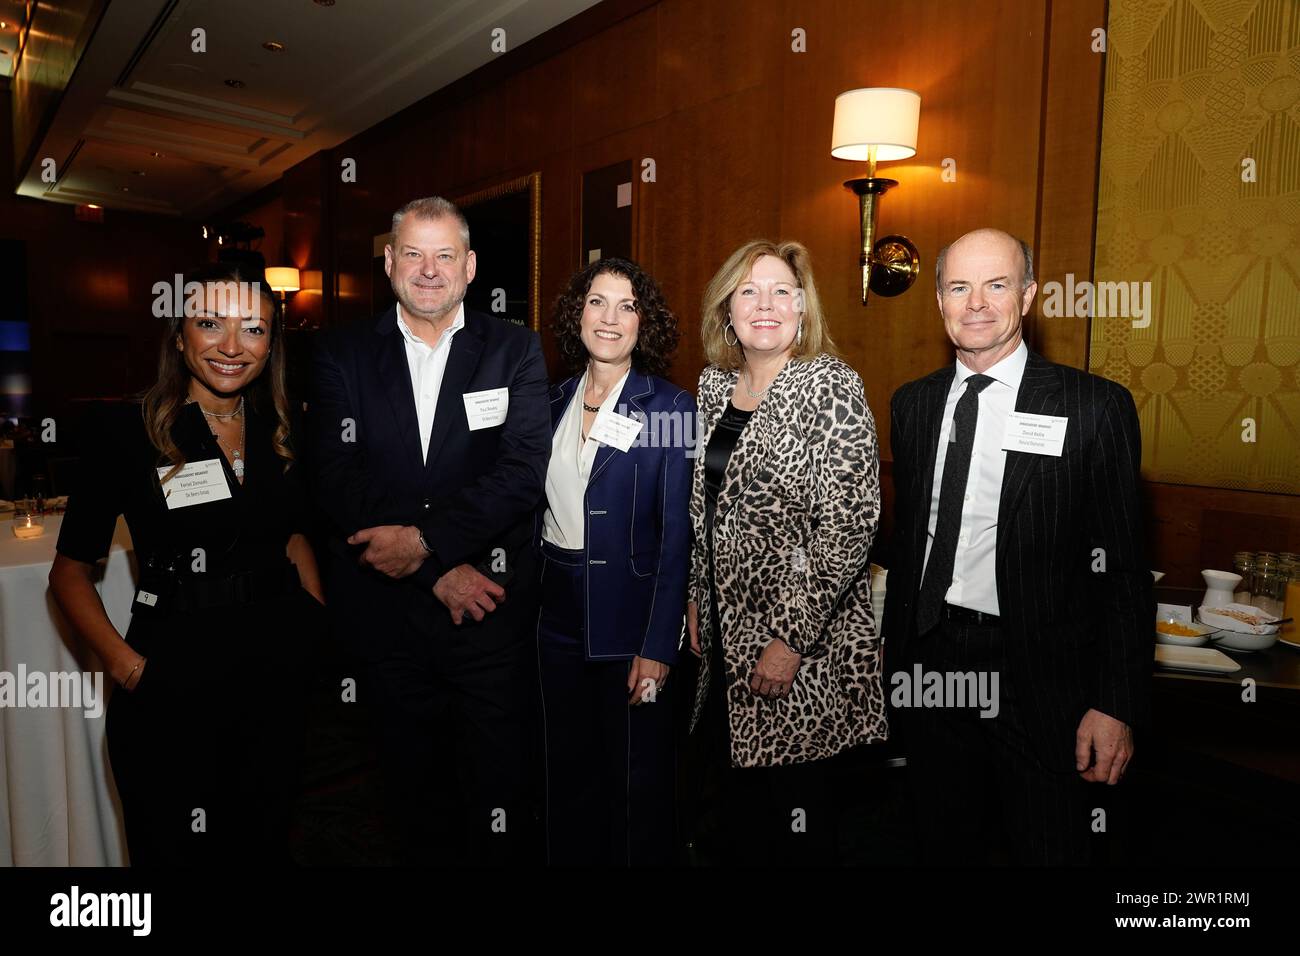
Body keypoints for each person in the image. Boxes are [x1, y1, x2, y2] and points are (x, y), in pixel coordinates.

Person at [882, 227, 1152, 865]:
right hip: (931, 667)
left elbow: (1124, 571)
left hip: (1040, 678)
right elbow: (907, 542)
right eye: (959, 286)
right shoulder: (913, 405)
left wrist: (1116, 704)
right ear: (940, 302)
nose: (976, 302)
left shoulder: (1093, 407)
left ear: (1027, 296)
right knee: (941, 842)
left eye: (996, 284)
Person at [49, 262, 325, 866]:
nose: (232, 347)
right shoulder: (125, 429)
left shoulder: (281, 427)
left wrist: (311, 618)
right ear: (178, 335)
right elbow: (69, 574)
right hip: (170, 680)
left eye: (253, 329)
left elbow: (294, 532)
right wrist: (129, 671)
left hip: (274, 681)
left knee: (261, 844)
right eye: (210, 324)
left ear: (272, 342)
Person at [309, 196, 550, 866]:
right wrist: (433, 565)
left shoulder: (514, 348)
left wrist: (424, 541)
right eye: (413, 253)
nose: (429, 270)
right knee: (410, 799)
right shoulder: (341, 352)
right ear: (389, 263)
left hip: (490, 615)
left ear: (470, 267)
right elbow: (334, 475)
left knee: (500, 796)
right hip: (389, 619)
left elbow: (523, 471)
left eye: (445, 255)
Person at [685, 239, 885, 865]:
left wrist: (789, 638)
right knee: (738, 805)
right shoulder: (713, 387)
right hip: (724, 634)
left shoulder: (831, 385)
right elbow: (703, 509)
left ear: (803, 308)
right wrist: (696, 594)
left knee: (797, 819)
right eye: (748, 291)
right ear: (727, 310)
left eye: (781, 291)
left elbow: (850, 527)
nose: (764, 304)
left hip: (803, 645)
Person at [537, 257, 694, 866]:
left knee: (635, 779)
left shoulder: (668, 408)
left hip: (630, 618)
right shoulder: (549, 400)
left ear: (643, 323)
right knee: (563, 770)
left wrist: (659, 646)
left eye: (627, 306)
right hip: (553, 616)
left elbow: (677, 534)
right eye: (597, 301)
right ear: (577, 313)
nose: (609, 318)